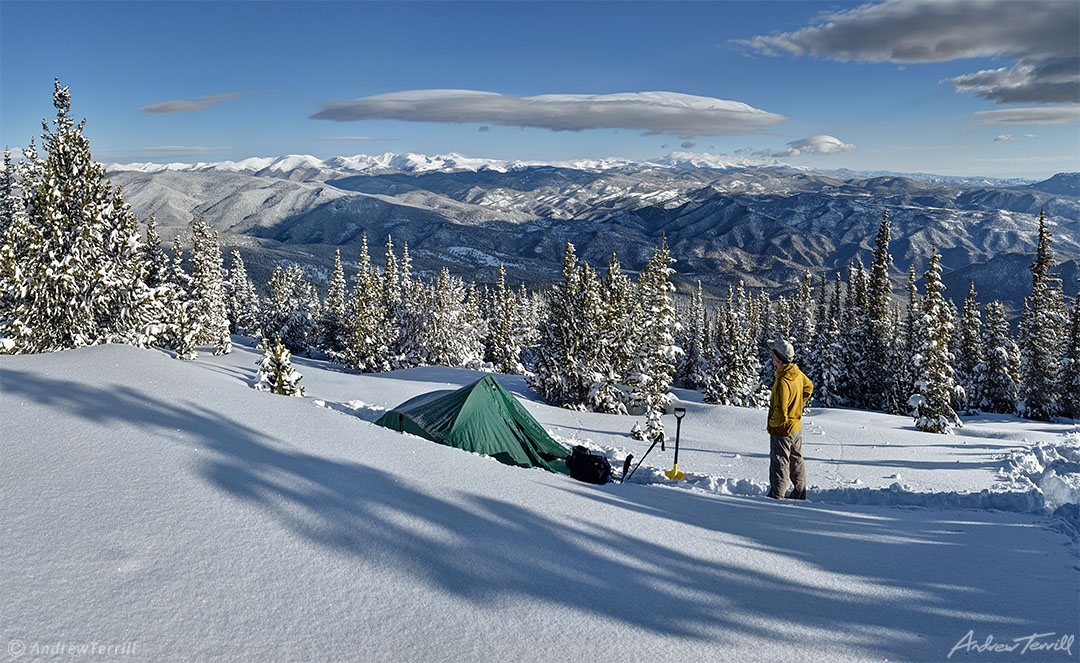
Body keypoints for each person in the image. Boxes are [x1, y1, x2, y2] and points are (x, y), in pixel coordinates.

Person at [765, 338, 813, 500]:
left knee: (780, 462)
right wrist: (798, 405)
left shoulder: (783, 380)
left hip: (783, 428)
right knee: (796, 461)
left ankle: (776, 496)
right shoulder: (796, 373)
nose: (772, 357)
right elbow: (809, 387)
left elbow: (780, 409)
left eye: (773, 354)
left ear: (777, 357)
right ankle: (799, 494)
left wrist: (773, 425)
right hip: (795, 426)